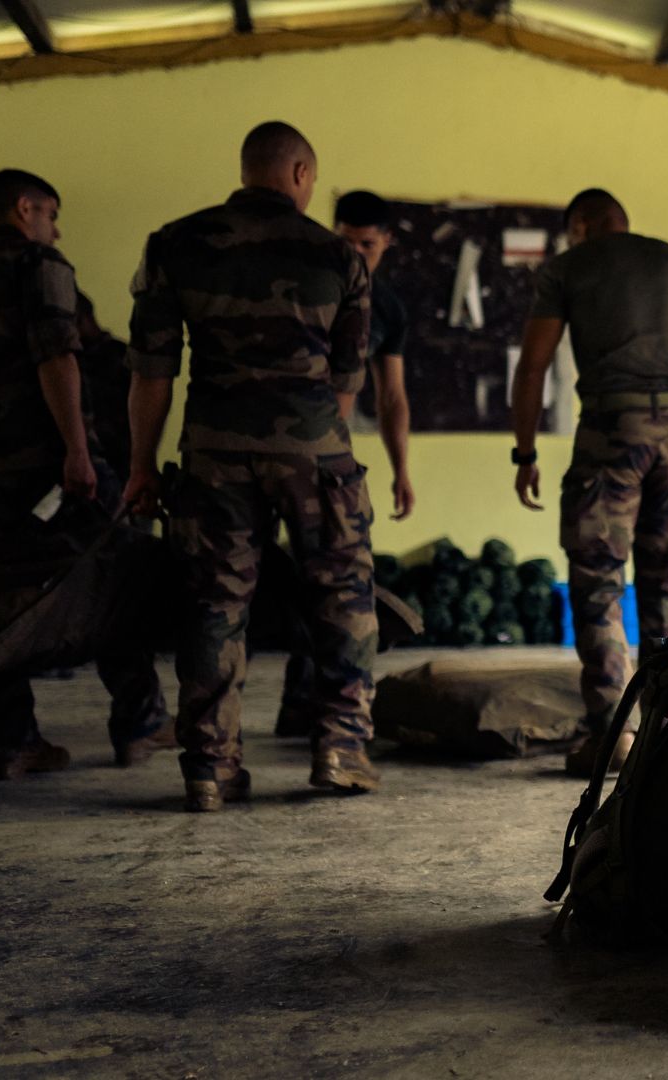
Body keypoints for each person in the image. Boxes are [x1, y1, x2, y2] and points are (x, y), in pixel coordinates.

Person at [125, 121, 381, 811]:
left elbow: (152, 371)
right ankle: (340, 749)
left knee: (215, 606)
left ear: (247, 171)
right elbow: (348, 383)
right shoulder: (337, 255)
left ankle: (210, 766)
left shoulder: (174, 243)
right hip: (316, 453)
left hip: (212, 453)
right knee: (343, 596)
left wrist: (141, 465)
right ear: (299, 173)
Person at [508, 188, 668, 777]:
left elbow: (533, 363)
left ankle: (613, 734)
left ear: (580, 226)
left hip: (613, 430)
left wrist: (526, 450)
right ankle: (666, 733)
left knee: (599, 582)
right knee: (667, 585)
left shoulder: (568, 267)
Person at [0, 169, 171, 779]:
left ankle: (14, 740)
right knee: (115, 571)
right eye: (50, 213)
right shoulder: (37, 265)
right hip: (46, 463)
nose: (56, 227)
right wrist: (77, 451)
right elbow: (57, 357)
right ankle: (141, 723)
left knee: (2, 596)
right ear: (24, 208)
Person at [275, 189, 415, 739]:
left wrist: (401, 468)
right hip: (272, 447)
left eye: (367, 245)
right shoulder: (304, 281)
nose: (355, 254)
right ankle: (310, 719)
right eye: (346, 241)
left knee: (333, 582)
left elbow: (394, 396)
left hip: (331, 460)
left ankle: (317, 712)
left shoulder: (389, 306)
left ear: (387, 243)